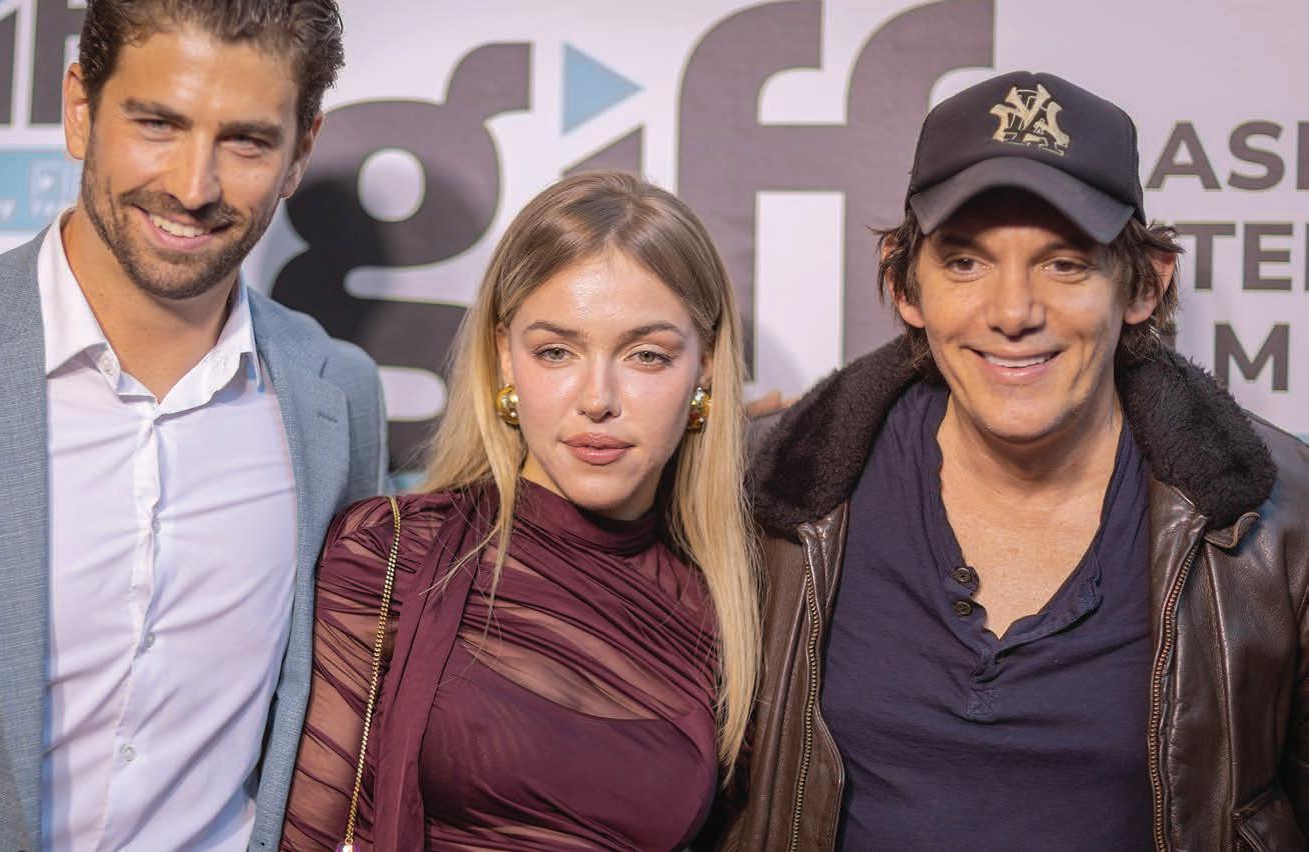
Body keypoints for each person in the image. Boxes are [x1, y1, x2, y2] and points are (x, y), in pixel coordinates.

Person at [0, 2, 385, 849]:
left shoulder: (337, 396)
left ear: (300, 151)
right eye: (158, 124)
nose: (194, 186)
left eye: (246, 142)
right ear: (80, 108)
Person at [721, 71, 1309, 848]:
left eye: (1064, 263)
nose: (1013, 312)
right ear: (905, 282)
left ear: (1143, 285)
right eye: (966, 263)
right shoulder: (771, 490)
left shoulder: (1281, 521)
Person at [278, 170, 760, 850]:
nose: (597, 399)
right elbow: (310, 834)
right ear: (506, 357)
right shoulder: (393, 553)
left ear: (704, 366)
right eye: (556, 352)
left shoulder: (727, 609)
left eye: (646, 356)